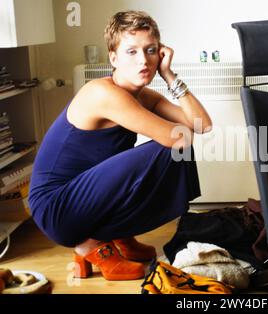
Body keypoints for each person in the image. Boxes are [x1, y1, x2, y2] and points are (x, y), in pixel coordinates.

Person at [29, 11, 212, 281]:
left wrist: (169, 75)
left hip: (84, 199)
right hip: (56, 207)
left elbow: (202, 124)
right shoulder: (102, 93)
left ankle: (116, 235)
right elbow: (180, 139)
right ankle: (88, 244)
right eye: (131, 52)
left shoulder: (144, 96)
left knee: (171, 147)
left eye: (151, 51)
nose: (143, 60)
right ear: (113, 58)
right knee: (168, 149)